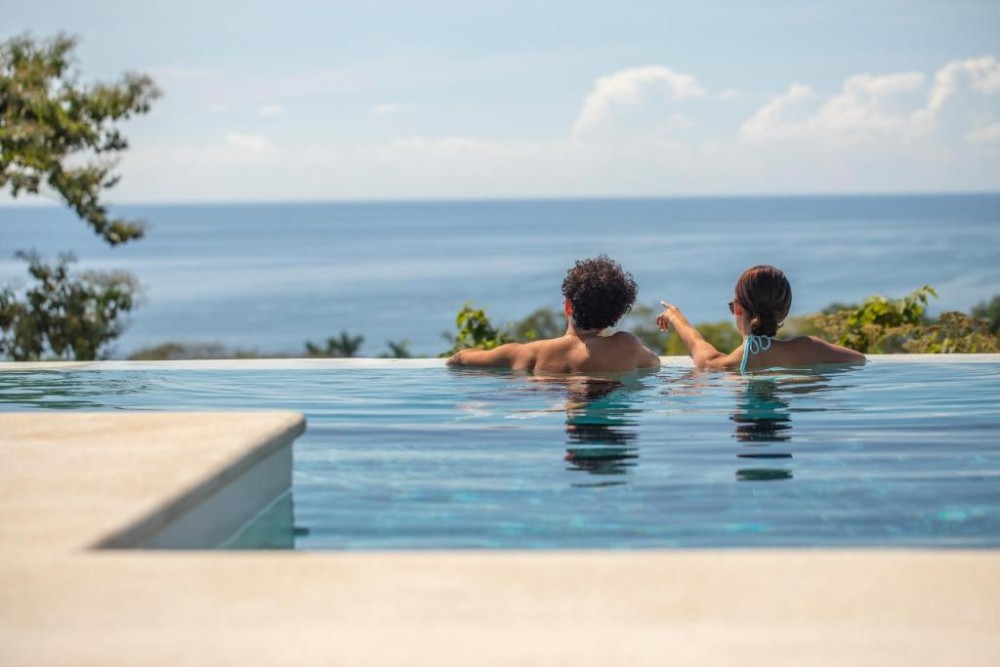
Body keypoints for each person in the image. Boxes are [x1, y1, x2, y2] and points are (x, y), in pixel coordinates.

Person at [447, 255, 661, 373]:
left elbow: (460, 359)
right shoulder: (626, 347)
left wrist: (460, 356)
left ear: (568, 306)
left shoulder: (527, 354)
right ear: (617, 315)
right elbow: (655, 362)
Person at [656, 264, 865, 372]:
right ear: (784, 311)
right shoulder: (809, 349)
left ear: (738, 307)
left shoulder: (728, 364)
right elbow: (859, 359)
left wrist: (675, 316)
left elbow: (698, 345)